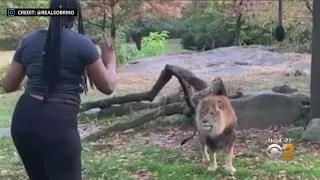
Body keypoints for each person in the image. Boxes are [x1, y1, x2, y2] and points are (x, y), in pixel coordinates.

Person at [1, 0, 117, 179]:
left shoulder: (29, 41)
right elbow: (107, 86)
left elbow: (8, 85)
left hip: (24, 121)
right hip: (58, 124)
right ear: (75, 14)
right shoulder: (82, 43)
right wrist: (110, 60)